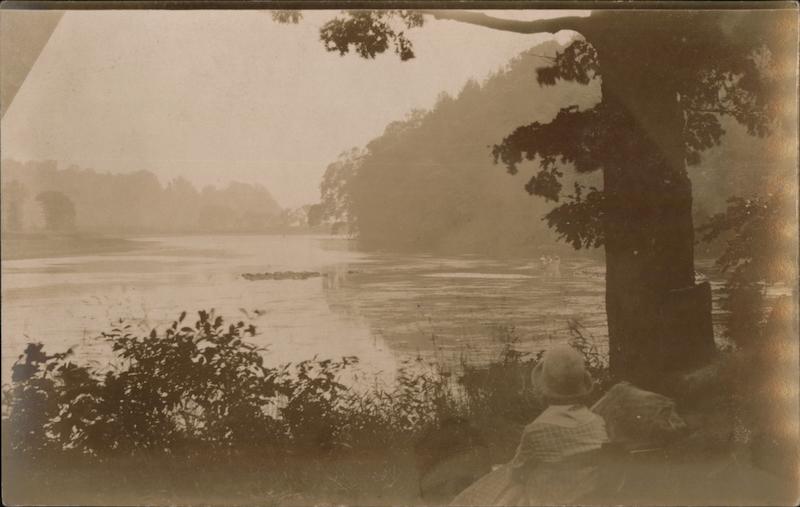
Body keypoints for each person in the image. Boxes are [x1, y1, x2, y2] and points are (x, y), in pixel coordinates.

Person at [451, 345, 608, 506]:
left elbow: (517, 472)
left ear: (546, 390)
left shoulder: (538, 430)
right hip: (583, 496)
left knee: (499, 491)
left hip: (546, 499)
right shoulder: (597, 422)